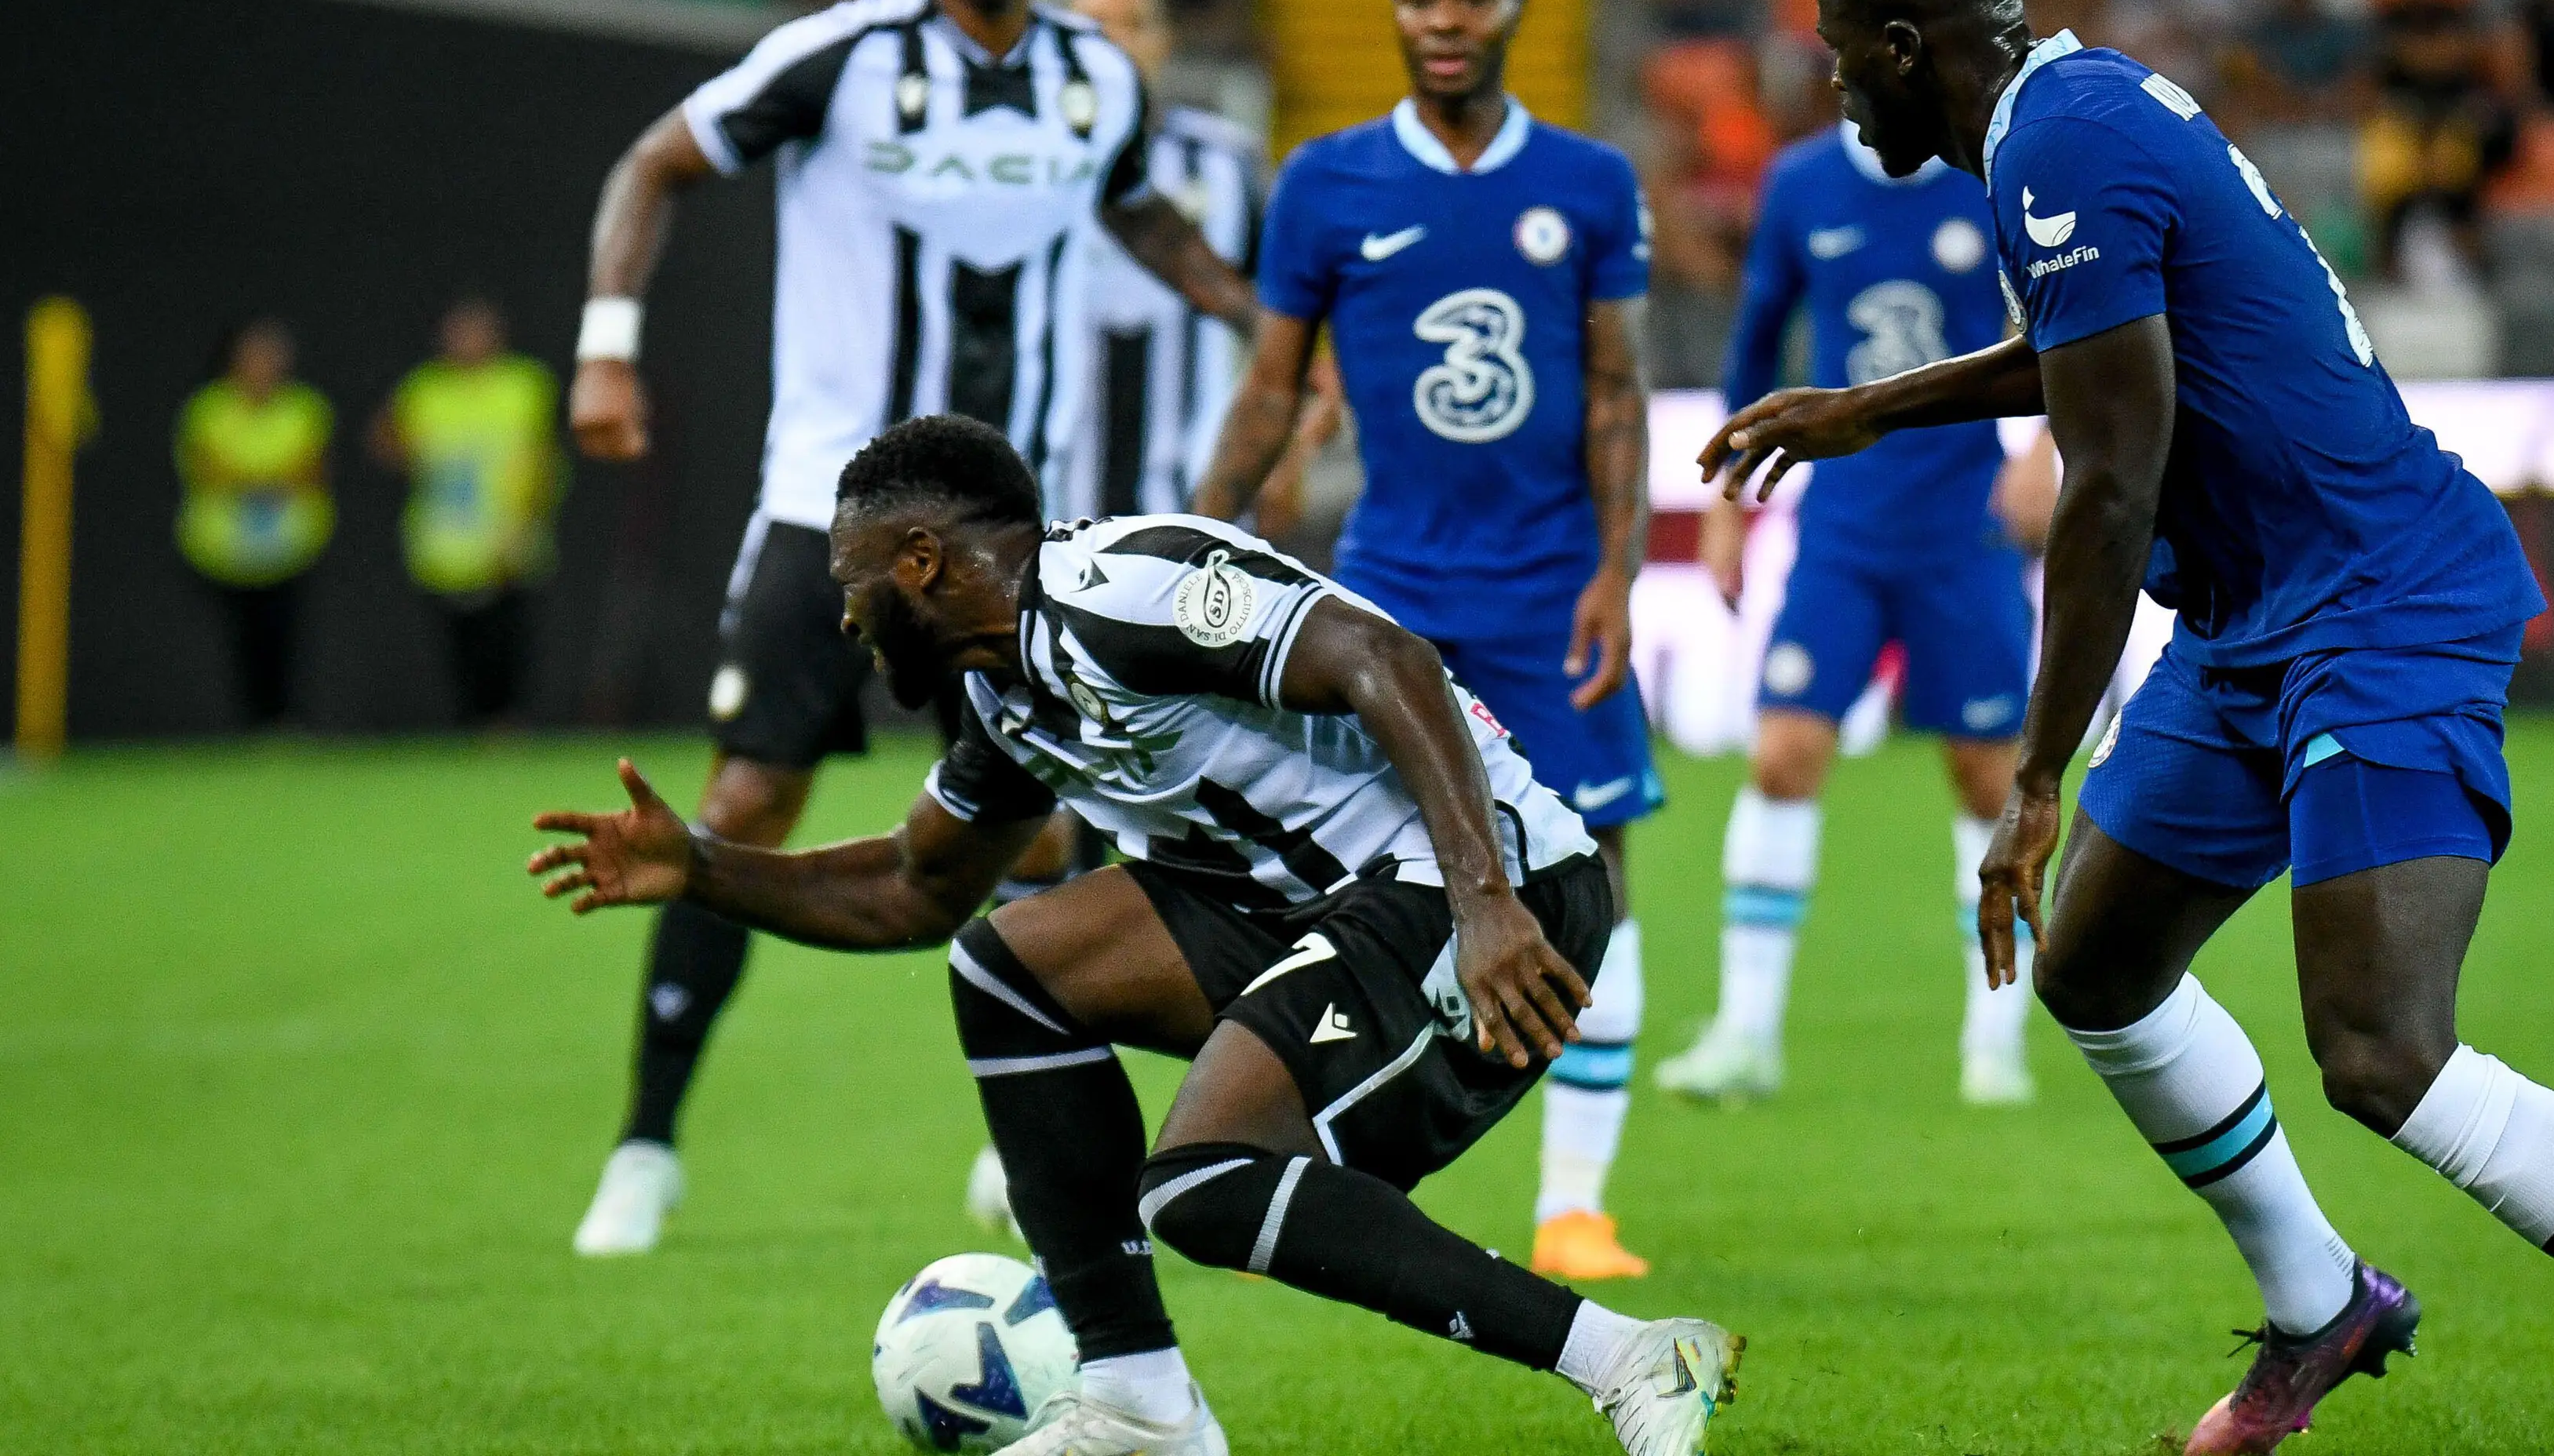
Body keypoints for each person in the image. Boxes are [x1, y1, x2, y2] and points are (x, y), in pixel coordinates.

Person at [1704, 0, 2554, 1456]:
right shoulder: (2068, 115)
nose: (1835, 93)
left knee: (2381, 1053)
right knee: (2097, 970)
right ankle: (2324, 1307)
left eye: (1845, 64)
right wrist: (1876, 406)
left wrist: (2038, 780)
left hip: (2380, 601)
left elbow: (2111, 470)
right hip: (2254, 616)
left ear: (1909, 47)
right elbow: (2111, 352)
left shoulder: (2059, 144)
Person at [525, 414, 1744, 1456]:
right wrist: (703, 868)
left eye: (850, 583)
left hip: (1484, 889)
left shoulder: (1125, 590)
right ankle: (1137, 1397)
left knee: (1203, 1184)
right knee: (1005, 969)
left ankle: (1633, 1358)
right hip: (1309, 906)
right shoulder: (1012, 697)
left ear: (919, 560)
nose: (843, 619)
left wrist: (1485, 901)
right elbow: (911, 888)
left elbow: (1385, 657)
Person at [558, 0, 1261, 1258]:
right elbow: (651, 163)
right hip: (830, 514)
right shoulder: (847, 57)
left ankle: (1036, 1145)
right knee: (745, 805)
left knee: (1051, 823)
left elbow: (1150, 228)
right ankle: (646, 1143)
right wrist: (608, 345)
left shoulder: (1090, 82)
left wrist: (1273, 339)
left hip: (1020, 544)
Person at [1190, 0, 1661, 1283]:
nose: (1445, 19)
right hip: (1386, 598)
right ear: (1393, 6)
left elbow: (1621, 389)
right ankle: (1286, 1127)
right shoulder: (1326, 182)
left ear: (1514, 4)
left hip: (1551, 588)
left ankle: (1575, 1204)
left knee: (1597, 878)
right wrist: (1201, 542)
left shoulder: (1586, 182)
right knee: (1317, 870)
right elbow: (1273, 386)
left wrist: (1621, 570)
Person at [1652, 117, 2045, 1108]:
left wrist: (2047, 444)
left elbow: (2065, 317)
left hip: (1966, 526)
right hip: (1843, 528)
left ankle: (1995, 1039)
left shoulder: (1985, 178)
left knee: (1985, 774)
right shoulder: (1801, 182)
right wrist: (1728, 502)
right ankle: (1747, 1034)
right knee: (1781, 755)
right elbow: (1756, 339)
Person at [1057, 0, 1271, 521]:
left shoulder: (1226, 161)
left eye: (1135, 23)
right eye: (1094, 24)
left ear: (1166, 39)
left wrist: (1286, 452)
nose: (1113, 41)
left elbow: (1278, 316)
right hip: (1052, 490)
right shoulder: (1026, 165)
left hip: (1196, 495)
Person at [372, 298, 562, 729]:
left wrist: (527, 520)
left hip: (507, 534)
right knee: (458, 644)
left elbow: (544, 457)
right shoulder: (425, 387)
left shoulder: (524, 382)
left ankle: (505, 724)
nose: (469, 343)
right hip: (445, 543)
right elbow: (385, 438)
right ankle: (469, 725)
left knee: (507, 637)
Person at [175, 317, 333, 728]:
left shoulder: (304, 406)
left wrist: (247, 476)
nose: (263, 367)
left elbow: (311, 471)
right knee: (236, 640)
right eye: (254, 357)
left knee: (282, 637)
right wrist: (270, 478)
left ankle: (278, 723)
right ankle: (237, 726)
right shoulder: (208, 408)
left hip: (288, 546)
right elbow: (206, 469)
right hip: (222, 551)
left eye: (271, 358)